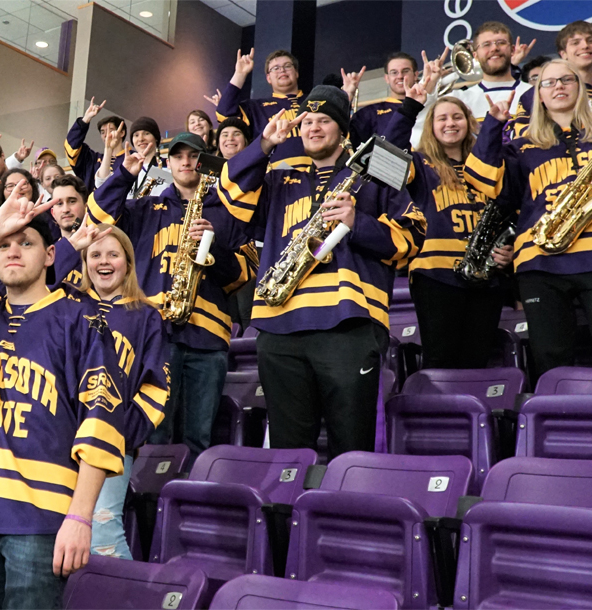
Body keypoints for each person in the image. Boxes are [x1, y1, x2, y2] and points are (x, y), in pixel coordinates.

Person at [0, 184, 147, 609]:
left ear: (51, 255)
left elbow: (101, 423)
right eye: (3, 246)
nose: (12, 251)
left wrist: (80, 516)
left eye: (26, 242)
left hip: (42, 522)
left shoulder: (85, 321)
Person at [217, 85, 426, 459]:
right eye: (307, 121)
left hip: (348, 327)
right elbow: (228, 198)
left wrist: (357, 222)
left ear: (343, 129)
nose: (313, 128)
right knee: (287, 454)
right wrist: (262, 145)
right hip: (279, 330)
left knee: (353, 446)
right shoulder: (278, 181)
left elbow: (414, 236)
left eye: (324, 120)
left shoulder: (377, 170)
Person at [468, 59, 592, 375]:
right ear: (538, 95)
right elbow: (485, 181)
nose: (559, 86)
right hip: (540, 261)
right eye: (549, 82)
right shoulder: (520, 144)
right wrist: (491, 124)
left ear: (580, 87)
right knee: (550, 358)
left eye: (566, 80)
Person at [89, 132, 254, 455]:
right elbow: (97, 216)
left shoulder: (227, 212)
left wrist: (213, 245)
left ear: (205, 162)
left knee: (198, 440)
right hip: (155, 334)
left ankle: (186, 503)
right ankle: (151, 504)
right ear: (168, 163)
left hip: (207, 340)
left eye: (193, 155)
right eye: (178, 156)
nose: (186, 161)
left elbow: (244, 275)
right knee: (154, 436)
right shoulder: (144, 209)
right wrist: (125, 174)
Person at [55, 224, 170, 560]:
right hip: (60, 441)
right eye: (95, 255)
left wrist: (120, 434)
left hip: (111, 443)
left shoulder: (147, 315)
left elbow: (155, 387)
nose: (104, 262)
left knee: (102, 530)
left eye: (113, 254)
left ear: (128, 263)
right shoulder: (68, 306)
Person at [385, 74, 513, 369]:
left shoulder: (486, 165)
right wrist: (410, 108)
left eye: (457, 117)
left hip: (486, 274)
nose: (450, 123)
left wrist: (508, 250)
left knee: (479, 358)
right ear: (431, 127)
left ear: (469, 123)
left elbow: (508, 213)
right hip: (436, 276)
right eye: (441, 118)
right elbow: (387, 155)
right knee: (441, 357)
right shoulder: (419, 164)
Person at [507, 20, 592, 137]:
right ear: (563, 54)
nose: (585, 46)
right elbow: (522, 138)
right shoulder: (535, 94)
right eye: (575, 43)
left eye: (590, 41)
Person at [217, 49, 308, 169]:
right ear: (268, 78)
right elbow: (224, 113)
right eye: (275, 68)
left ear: (296, 73)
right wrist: (240, 74)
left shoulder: (315, 100)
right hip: (276, 177)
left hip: (319, 173)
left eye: (287, 66)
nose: (282, 70)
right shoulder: (256, 107)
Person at [452, 22, 535, 123]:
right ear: (475, 56)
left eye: (501, 42)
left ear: (512, 50)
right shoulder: (459, 99)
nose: (494, 48)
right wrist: (430, 91)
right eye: (486, 44)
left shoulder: (535, 94)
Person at [350, 52, 418, 145]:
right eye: (394, 72)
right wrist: (347, 96)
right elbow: (345, 140)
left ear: (415, 75)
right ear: (387, 78)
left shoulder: (430, 108)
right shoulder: (369, 113)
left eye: (405, 71)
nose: (400, 76)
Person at [66, 98, 127, 191]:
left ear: (122, 133)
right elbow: (71, 148)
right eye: (103, 132)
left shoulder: (132, 158)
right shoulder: (93, 160)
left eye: (111, 130)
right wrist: (86, 118)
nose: (106, 135)